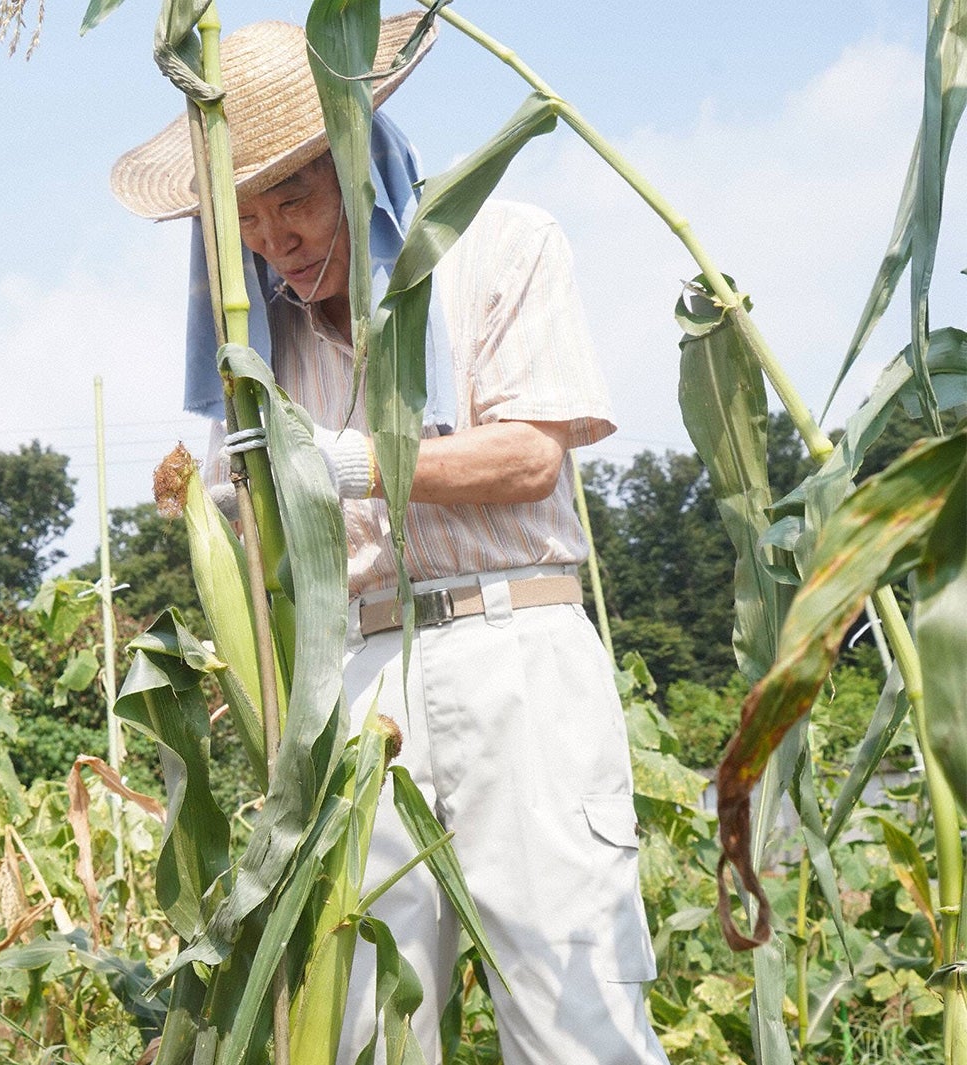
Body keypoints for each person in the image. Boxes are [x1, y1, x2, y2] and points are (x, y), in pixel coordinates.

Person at [110, 13, 669, 1065]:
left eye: (297, 202)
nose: (279, 241)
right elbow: (269, 549)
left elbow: (528, 459)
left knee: (568, 1004)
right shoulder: (255, 343)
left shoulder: (499, 244)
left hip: (510, 648)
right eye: (248, 222)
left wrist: (343, 462)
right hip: (357, 674)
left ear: (356, 154)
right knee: (354, 1006)